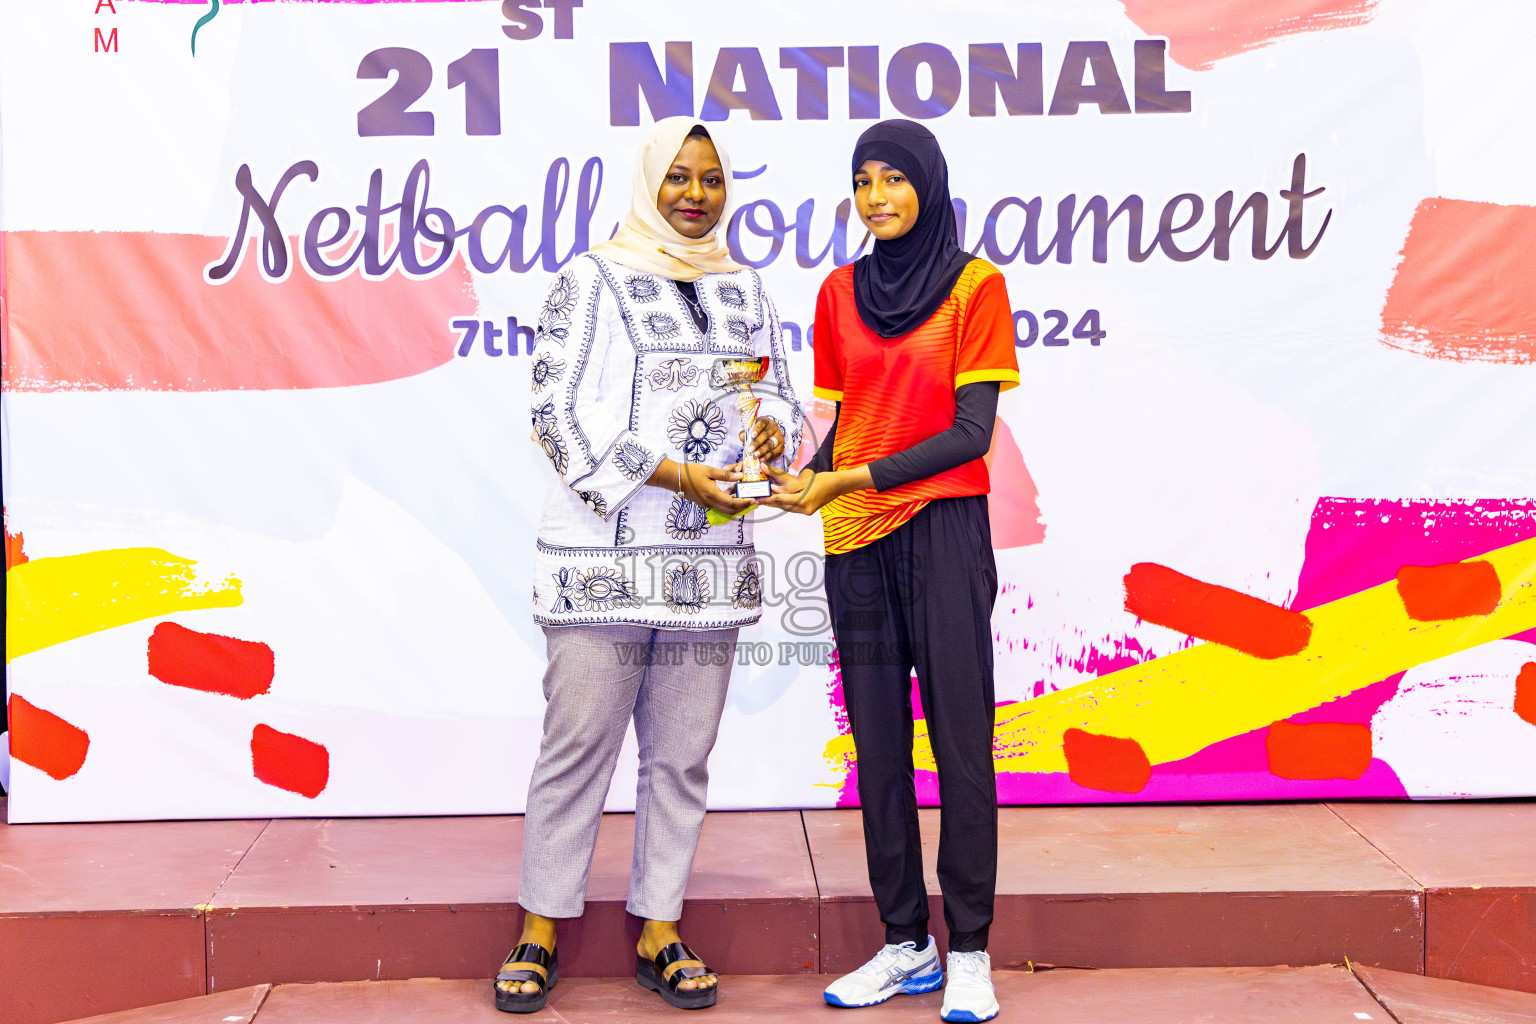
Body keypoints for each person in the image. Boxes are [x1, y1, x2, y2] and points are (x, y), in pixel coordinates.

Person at [495, 116, 798, 1014]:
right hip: (602, 568)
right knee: (577, 746)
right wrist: (670, 473)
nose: (695, 196)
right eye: (678, 178)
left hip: (708, 569)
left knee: (681, 757)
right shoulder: (590, 278)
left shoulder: (744, 286)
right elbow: (554, 413)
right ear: (647, 182)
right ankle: (539, 927)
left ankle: (659, 926)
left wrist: (780, 431)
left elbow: (777, 388)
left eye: (709, 179)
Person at [758, 119, 1018, 1023]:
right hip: (855, 539)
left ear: (929, 186)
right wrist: (799, 473)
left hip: (944, 532)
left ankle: (971, 952)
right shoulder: (838, 292)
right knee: (877, 752)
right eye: (863, 180)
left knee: (957, 742)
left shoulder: (976, 287)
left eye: (894, 179)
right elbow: (839, 420)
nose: (876, 197)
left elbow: (969, 435)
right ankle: (907, 943)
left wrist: (848, 476)